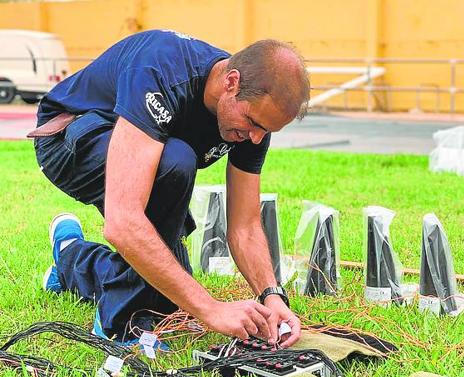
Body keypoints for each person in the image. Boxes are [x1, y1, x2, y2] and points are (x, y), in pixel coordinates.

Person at [31, 29, 309, 348]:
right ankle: (120, 325)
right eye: (255, 124)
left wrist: (272, 295)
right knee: (176, 160)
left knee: (166, 300)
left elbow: (245, 227)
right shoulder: (161, 70)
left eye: (268, 130)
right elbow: (123, 223)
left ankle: (70, 256)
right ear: (231, 82)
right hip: (67, 138)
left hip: (151, 157)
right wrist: (211, 309)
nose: (257, 138)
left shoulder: (253, 119)